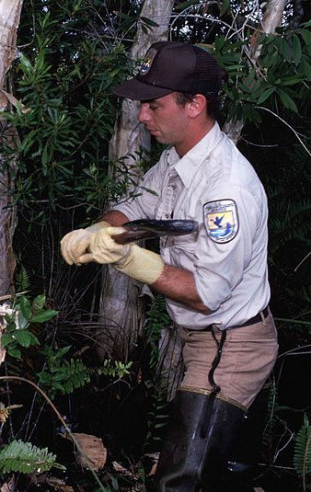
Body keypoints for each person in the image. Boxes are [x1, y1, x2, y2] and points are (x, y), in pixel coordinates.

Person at [60, 41, 278, 491]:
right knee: (217, 472)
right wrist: (99, 230)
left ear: (195, 105)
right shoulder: (174, 162)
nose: (143, 116)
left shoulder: (227, 189)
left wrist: (128, 258)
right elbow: (135, 206)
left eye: (153, 105)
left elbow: (206, 293)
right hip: (202, 339)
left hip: (230, 345)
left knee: (182, 480)